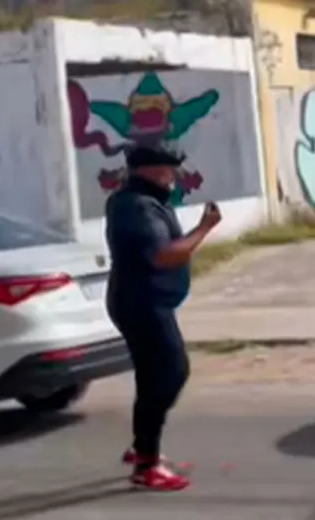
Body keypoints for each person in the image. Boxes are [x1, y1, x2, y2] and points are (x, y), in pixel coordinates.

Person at [105, 145, 222, 490]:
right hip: (142, 304)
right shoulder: (138, 207)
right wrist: (205, 228)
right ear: (151, 170)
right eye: (169, 169)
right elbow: (163, 256)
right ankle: (146, 465)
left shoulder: (138, 201)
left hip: (141, 300)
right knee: (172, 373)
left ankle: (143, 447)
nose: (174, 176)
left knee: (151, 376)